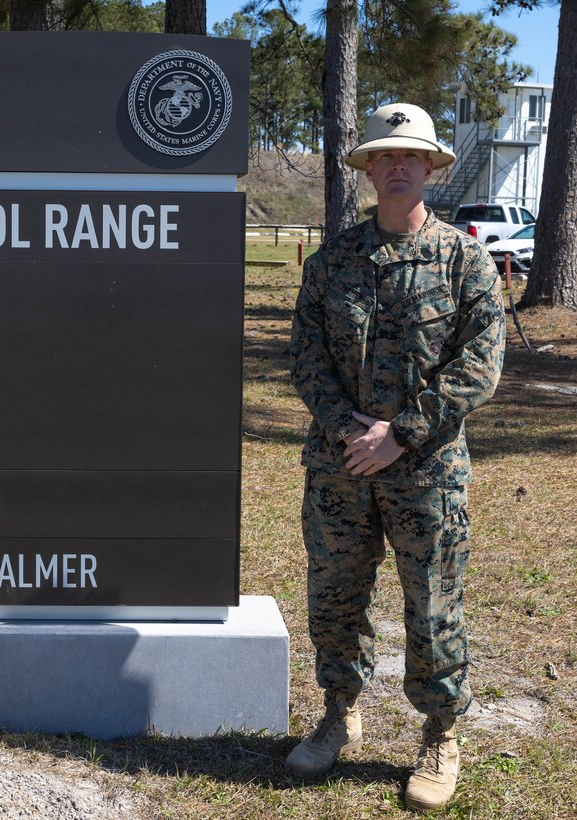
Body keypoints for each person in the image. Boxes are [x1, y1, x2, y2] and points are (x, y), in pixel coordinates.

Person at [286, 103, 506, 812]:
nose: (399, 167)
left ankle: (440, 735)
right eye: (386, 157)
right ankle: (338, 712)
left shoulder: (463, 258)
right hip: (341, 468)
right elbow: (305, 354)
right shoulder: (333, 261)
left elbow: (480, 362)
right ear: (371, 171)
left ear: (431, 169)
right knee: (334, 599)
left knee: (433, 605)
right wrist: (351, 430)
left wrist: (400, 433)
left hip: (426, 472)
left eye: (411, 157)